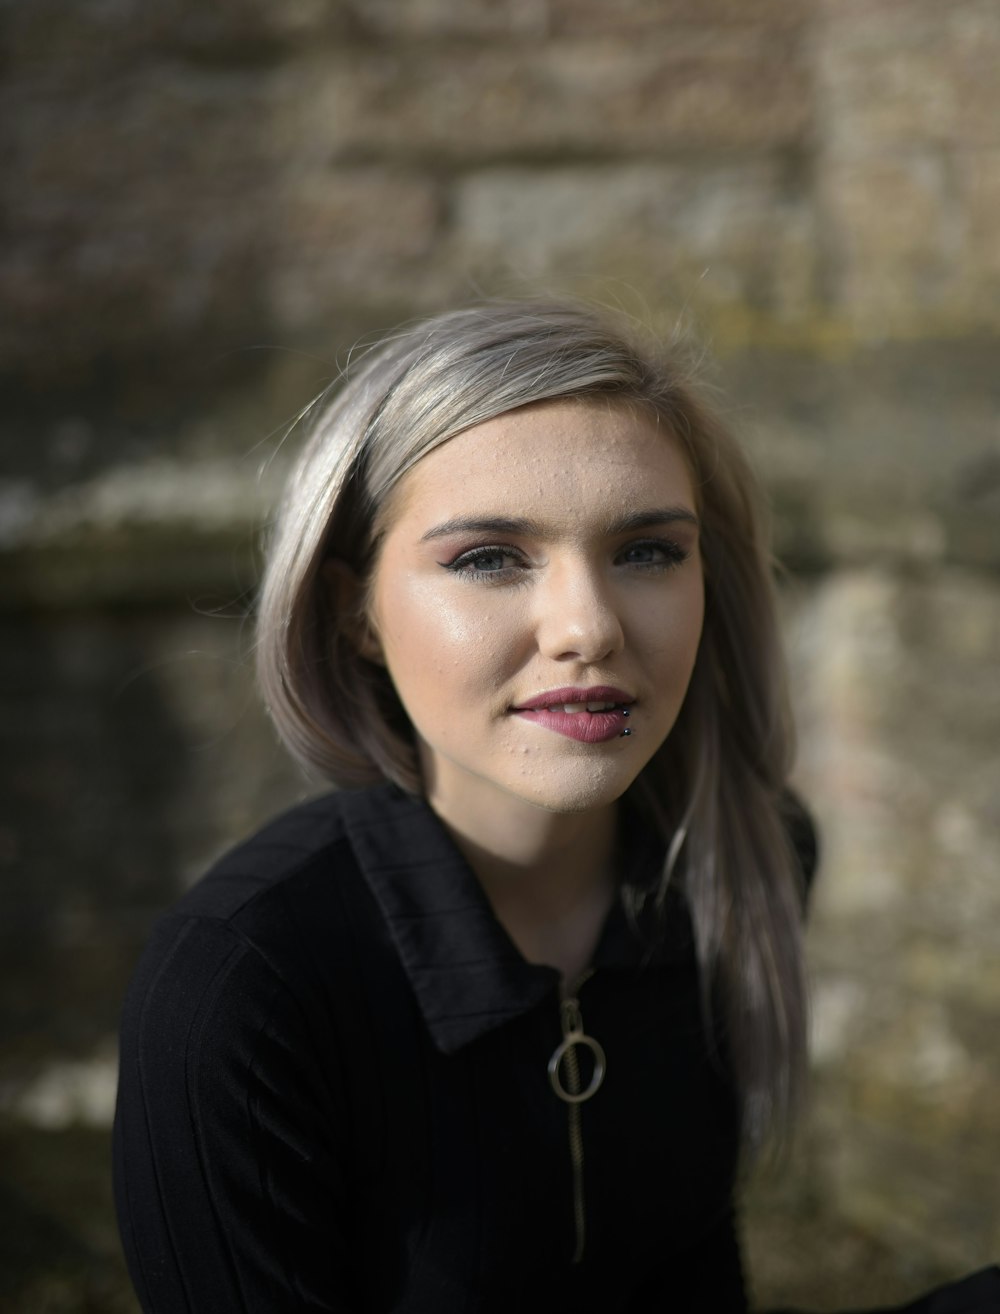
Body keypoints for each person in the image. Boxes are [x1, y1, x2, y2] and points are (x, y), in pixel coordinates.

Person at [112, 300, 999, 1313]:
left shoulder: (740, 862)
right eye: (489, 557)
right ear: (352, 611)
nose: (587, 625)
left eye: (647, 550)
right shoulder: (240, 982)